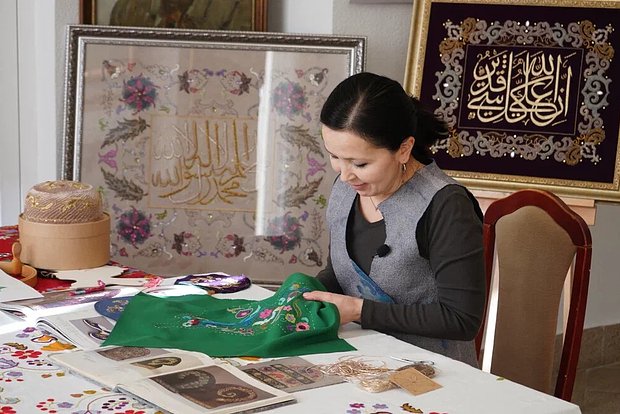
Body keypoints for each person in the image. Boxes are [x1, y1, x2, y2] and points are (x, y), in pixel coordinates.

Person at [302, 72, 486, 367]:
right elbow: (341, 274)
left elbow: (461, 319)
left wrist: (359, 311)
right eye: (334, 156)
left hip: (434, 371)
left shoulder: (447, 205)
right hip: (359, 358)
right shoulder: (346, 189)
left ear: (403, 149)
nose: (345, 175)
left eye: (360, 163)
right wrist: (303, 291)